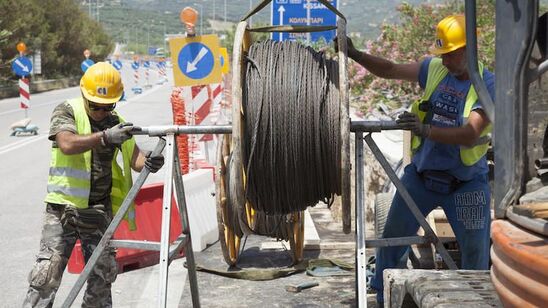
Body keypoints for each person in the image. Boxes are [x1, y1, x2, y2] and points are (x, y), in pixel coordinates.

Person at [339, 15, 494, 304]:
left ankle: (474, 301)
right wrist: (356, 53)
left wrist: (425, 129)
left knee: (475, 253)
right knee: (391, 242)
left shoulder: (487, 85)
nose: (445, 61)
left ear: (470, 50)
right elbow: (390, 69)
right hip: (421, 179)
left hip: (466, 185)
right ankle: (384, 297)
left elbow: (470, 133)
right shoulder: (434, 69)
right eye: (443, 54)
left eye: (450, 54)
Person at [23, 62, 165, 307]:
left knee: (102, 276)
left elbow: (136, 160)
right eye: (96, 106)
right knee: (46, 275)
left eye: (108, 106)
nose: (102, 111)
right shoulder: (67, 111)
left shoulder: (116, 121)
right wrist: (105, 137)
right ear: (84, 94)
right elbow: (66, 144)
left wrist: (152, 160)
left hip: (99, 211)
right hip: (62, 210)